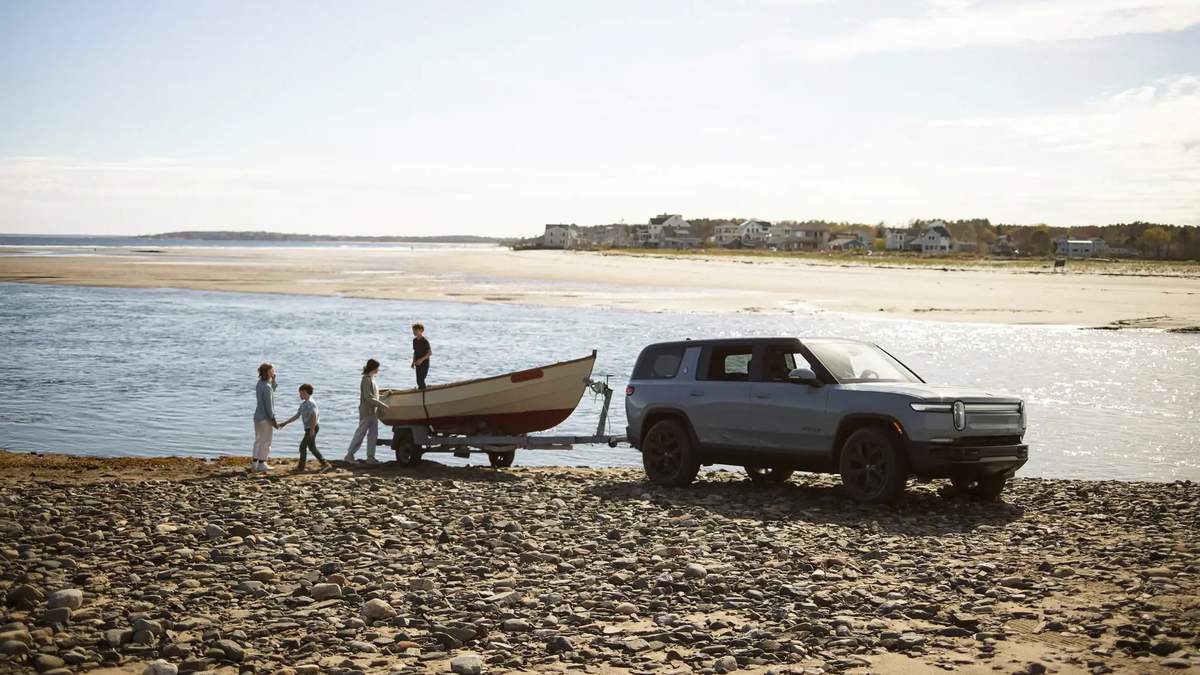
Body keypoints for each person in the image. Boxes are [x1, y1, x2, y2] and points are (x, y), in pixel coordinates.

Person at [345, 358, 388, 463]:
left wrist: (387, 394)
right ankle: (349, 455)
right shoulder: (365, 379)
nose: (378, 370)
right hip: (366, 411)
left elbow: (375, 395)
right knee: (361, 433)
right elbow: (368, 397)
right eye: (377, 368)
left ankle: (370, 457)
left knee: (373, 434)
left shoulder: (372, 379)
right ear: (373, 368)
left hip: (373, 412)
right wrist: (382, 404)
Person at [279, 383, 328, 472]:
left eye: (301, 393)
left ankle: (301, 467)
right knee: (312, 447)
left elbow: (314, 416)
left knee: (302, 447)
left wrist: (312, 430)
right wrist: (285, 423)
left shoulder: (310, 403)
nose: (300, 395)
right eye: (299, 393)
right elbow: (297, 415)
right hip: (309, 428)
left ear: (306, 392)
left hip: (312, 428)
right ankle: (324, 463)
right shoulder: (304, 404)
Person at [252, 363, 279, 472]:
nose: (274, 372)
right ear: (267, 372)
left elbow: (271, 391)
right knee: (266, 441)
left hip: (257, 417)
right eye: (272, 371)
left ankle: (254, 463)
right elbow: (269, 406)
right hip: (265, 418)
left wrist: (273, 381)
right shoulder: (267, 387)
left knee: (258, 440)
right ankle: (262, 463)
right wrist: (273, 420)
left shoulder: (259, 383)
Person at [411, 323, 432, 389]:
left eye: (416, 331)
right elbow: (415, 352)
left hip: (424, 363)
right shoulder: (414, 340)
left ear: (421, 331)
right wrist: (413, 361)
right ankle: (421, 392)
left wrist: (421, 360)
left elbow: (429, 353)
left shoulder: (425, 341)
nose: (414, 332)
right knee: (418, 381)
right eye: (413, 331)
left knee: (421, 379)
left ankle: (423, 393)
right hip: (417, 362)